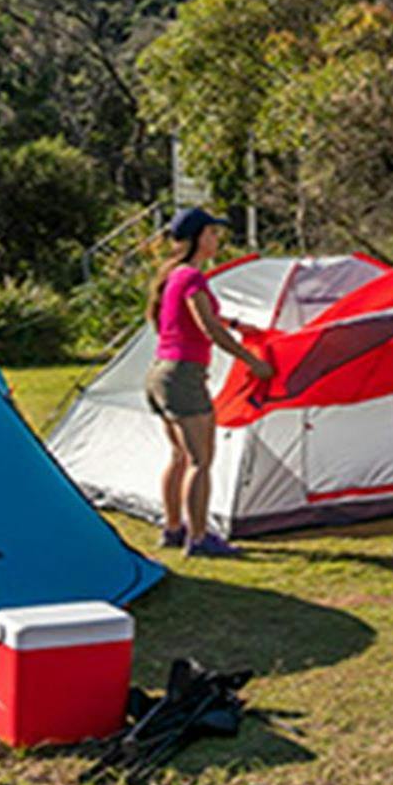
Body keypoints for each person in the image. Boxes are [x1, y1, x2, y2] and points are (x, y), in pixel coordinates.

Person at [146, 206, 273, 558]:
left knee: (179, 457)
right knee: (201, 460)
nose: (217, 239)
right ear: (199, 237)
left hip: (161, 372)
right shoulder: (192, 278)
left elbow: (197, 318)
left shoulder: (174, 275)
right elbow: (208, 328)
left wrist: (236, 326)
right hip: (183, 375)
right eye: (213, 233)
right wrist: (251, 361)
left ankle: (173, 529)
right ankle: (200, 539)